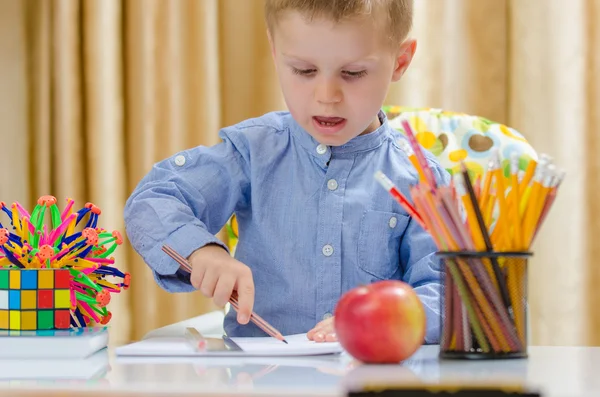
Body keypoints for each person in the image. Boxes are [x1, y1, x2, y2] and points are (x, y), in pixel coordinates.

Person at [124, 0, 450, 344]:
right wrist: (201, 251)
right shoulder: (253, 151)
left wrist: (388, 318)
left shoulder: (421, 179)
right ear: (276, 52)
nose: (327, 96)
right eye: (304, 71)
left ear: (400, 61)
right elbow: (153, 199)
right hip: (258, 380)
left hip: (371, 375)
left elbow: (449, 291)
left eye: (353, 73)